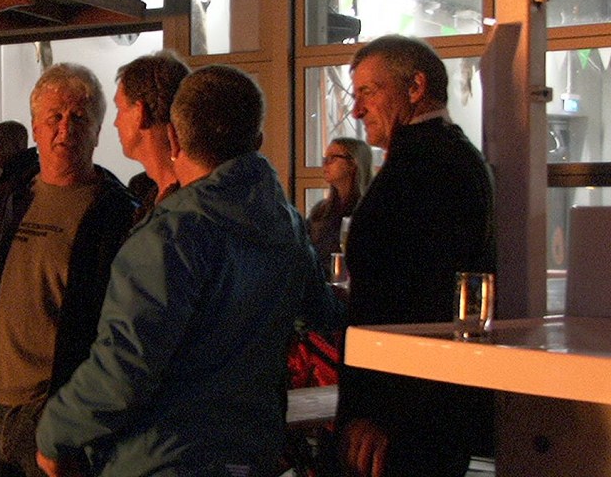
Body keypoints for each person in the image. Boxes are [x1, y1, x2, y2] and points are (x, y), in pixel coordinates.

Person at [35, 65, 338, 476]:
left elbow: (124, 368)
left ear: (175, 138)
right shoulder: (286, 225)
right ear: (257, 142)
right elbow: (320, 316)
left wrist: (56, 433)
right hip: (252, 451)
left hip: (164, 457)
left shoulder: (169, 236)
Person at [0, 63, 137, 477]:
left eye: (79, 118)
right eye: (54, 117)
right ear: (35, 128)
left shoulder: (114, 214)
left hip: (55, 415)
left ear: (97, 132)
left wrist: (74, 408)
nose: (65, 129)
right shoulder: (8, 200)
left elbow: (117, 326)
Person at [331, 35, 496, 477]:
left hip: (402, 419)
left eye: (368, 92)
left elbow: (418, 298)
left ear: (416, 87)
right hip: (430, 405)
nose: (357, 110)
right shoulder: (451, 155)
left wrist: (379, 411)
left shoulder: (427, 166)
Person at [112, 50, 191, 216]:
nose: (116, 123)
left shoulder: (188, 204)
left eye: (119, 109)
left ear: (139, 113)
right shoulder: (141, 191)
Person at [306, 137, 373, 277]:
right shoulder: (320, 211)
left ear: (353, 163)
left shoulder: (369, 210)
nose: (325, 164)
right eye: (324, 159)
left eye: (332, 158)